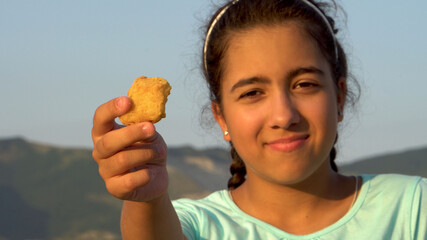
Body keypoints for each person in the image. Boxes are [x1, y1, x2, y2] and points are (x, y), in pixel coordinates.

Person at [91, 0, 427, 239]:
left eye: (305, 85)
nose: (284, 115)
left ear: (338, 98)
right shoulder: (194, 226)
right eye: (252, 92)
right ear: (220, 115)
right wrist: (146, 198)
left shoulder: (414, 209)